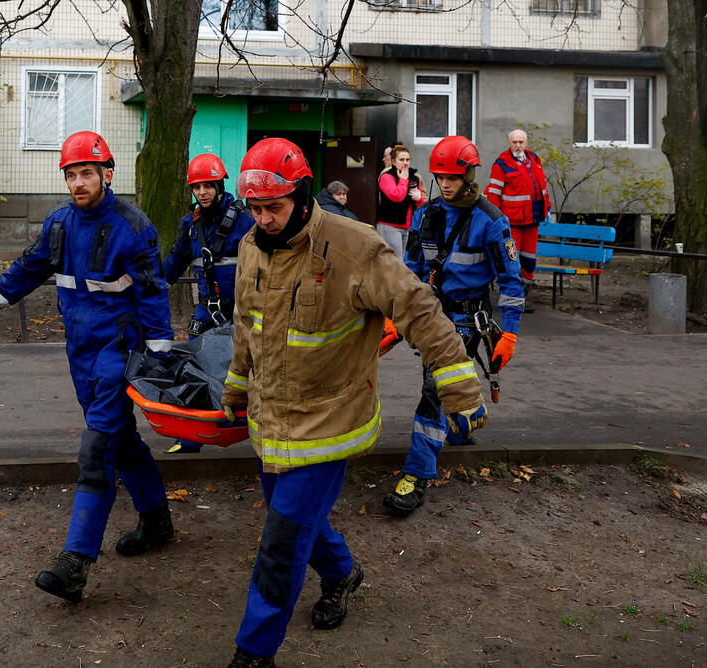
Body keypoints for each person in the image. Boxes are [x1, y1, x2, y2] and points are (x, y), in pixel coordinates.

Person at [222, 137, 488, 668]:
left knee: (281, 540)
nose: (264, 219)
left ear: (300, 195)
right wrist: (236, 385)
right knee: (293, 519)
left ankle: (255, 652)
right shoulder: (252, 245)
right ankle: (342, 574)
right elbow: (246, 326)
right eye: (254, 208)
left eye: (273, 207)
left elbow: (419, 309)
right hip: (271, 419)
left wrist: (460, 388)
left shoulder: (354, 247)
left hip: (329, 421)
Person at [0, 131, 176, 602]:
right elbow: (28, 267)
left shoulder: (132, 226)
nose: (78, 182)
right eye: (71, 175)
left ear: (107, 175)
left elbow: (154, 295)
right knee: (121, 442)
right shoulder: (59, 224)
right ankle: (157, 520)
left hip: (116, 355)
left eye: (86, 173)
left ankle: (75, 562)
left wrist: (160, 357)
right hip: (79, 353)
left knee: (96, 451)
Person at [383, 135, 525, 517]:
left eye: (453, 177)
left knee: (434, 389)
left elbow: (511, 283)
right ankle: (462, 425)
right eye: (440, 176)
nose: (445, 184)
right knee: (439, 385)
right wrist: (397, 320)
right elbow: (411, 273)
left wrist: (508, 332)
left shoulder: (492, 222)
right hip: (432, 317)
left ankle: (416, 473)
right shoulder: (426, 215)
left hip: (468, 320)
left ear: (469, 174)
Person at [161, 153, 255, 454]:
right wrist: (150, 289)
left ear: (219, 184)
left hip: (245, 311)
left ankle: (257, 431)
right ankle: (190, 438)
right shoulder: (190, 226)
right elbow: (173, 265)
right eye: (197, 187)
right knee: (193, 369)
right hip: (207, 309)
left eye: (208, 186)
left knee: (252, 369)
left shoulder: (246, 221)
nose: (202, 192)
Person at [483, 128, 551, 313]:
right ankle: (510, 299)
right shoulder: (502, 164)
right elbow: (494, 196)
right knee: (510, 261)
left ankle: (520, 297)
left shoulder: (535, 160)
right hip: (511, 223)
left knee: (528, 262)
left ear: (526, 143)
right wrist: (495, 221)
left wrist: (548, 207)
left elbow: (542, 187)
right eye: (515, 142)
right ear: (509, 144)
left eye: (521, 142)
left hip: (533, 221)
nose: (518, 146)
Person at [376, 143, 424, 257]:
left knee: (404, 262)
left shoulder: (414, 177)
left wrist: (419, 198)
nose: (405, 163)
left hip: (408, 227)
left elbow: (422, 204)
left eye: (407, 159)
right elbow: (397, 197)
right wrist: (403, 179)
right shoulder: (387, 176)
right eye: (401, 159)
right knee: (395, 262)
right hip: (389, 225)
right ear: (393, 161)